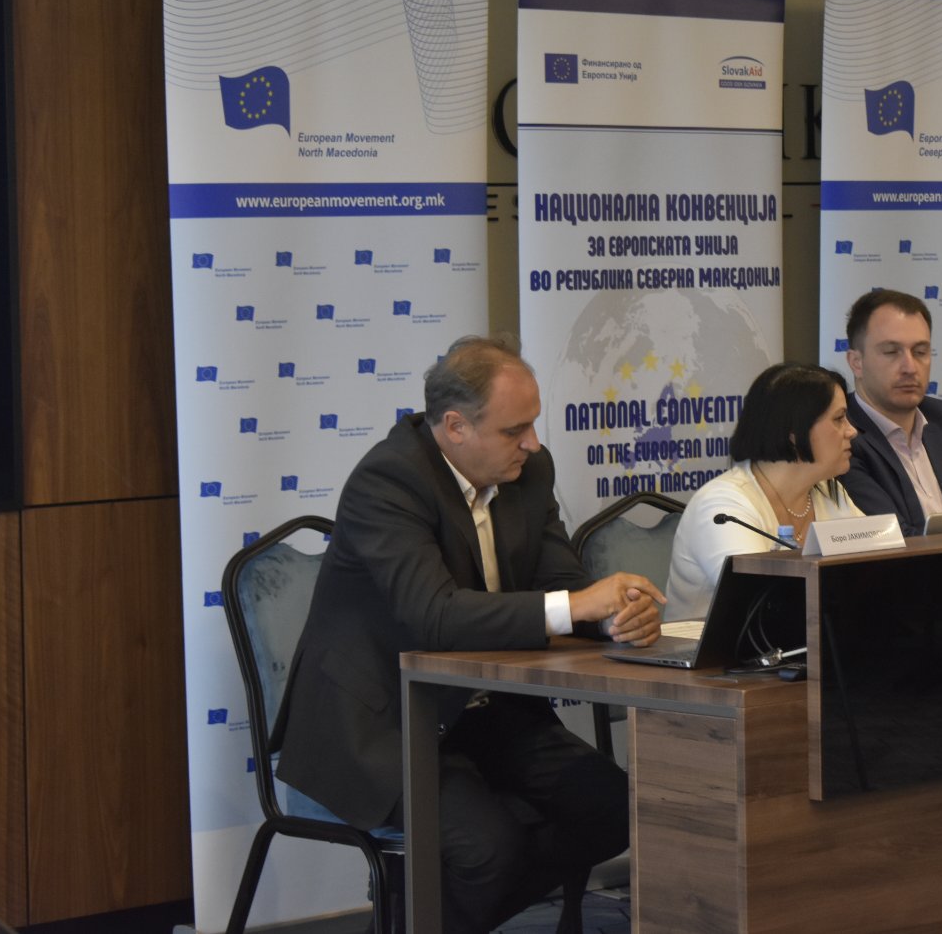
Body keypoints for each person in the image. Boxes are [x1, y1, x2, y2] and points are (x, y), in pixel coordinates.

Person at [274, 334, 664, 934]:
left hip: (484, 711)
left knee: (615, 810)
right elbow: (434, 615)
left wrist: (615, 615)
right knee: (487, 849)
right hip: (382, 723)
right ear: (456, 426)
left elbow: (560, 583)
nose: (533, 444)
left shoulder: (528, 472)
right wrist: (576, 605)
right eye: (515, 430)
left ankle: (414, 915)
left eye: (533, 425)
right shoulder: (389, 480)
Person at [666, 362, 863, 621]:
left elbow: (876, 566)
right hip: (718, 646)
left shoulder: (828, 492)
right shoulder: (722, 507)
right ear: (794, 432)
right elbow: (762, 607)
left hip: (807, 640)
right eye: (839, 419)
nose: (852, 431)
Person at [838, 289, 942, 536]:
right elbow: (896, 539)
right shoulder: (843, 437)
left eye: (920, 352)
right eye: (891, 352)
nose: (910, 367)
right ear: (856, 362)